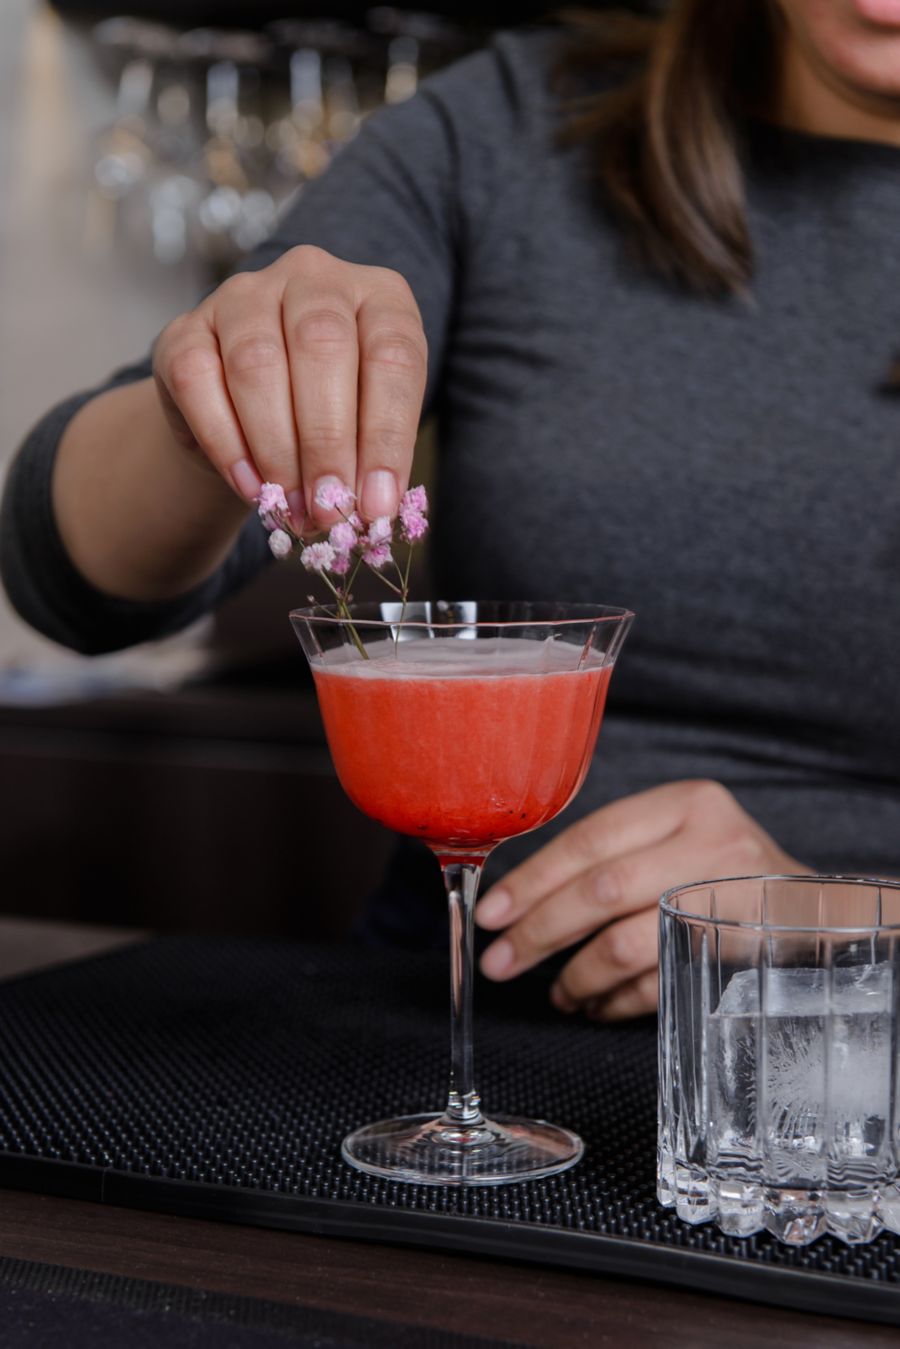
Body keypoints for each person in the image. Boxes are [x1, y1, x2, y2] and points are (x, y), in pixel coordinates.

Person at [3, 0, 900, 1021]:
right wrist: (200, 406)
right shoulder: (509, 130)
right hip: (449, 1001)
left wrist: (848, 917)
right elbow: (71, 581)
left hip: (846, 1067)